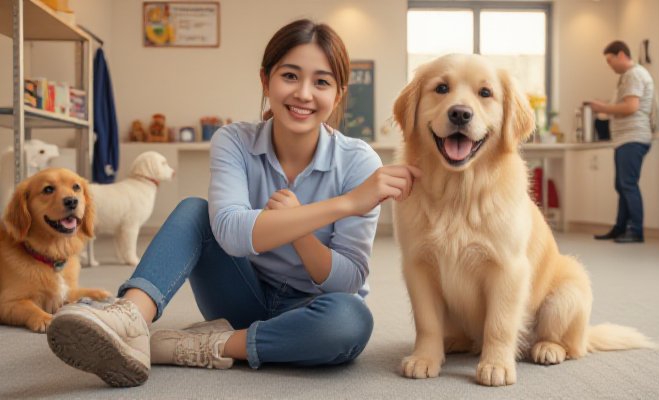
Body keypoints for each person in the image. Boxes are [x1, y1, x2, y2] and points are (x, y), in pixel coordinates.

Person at [46, 19, 420, 388]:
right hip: (239, 292)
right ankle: (128, 318)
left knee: (351, 321)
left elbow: (348, 280)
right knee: (195, 211)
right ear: (266, 80)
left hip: (309, 308)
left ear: (337, 94)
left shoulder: (358, 161)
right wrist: (347, 203)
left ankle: (196, 345)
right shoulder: (234, 141)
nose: (304, 93)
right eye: (290, 76)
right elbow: (231, 236)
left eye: (321, 82)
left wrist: (299, 229)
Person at [589, 40, 654, 244]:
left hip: (633, 137)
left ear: (621, 55)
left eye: (610, 60)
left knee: (627, 184)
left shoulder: (634, 74)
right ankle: (620, 228)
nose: (610, 66)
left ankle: (636, 231)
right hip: (626, 138)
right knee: (622, 184)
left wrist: (603, 108)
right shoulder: (629, 76)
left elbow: (631, 107)